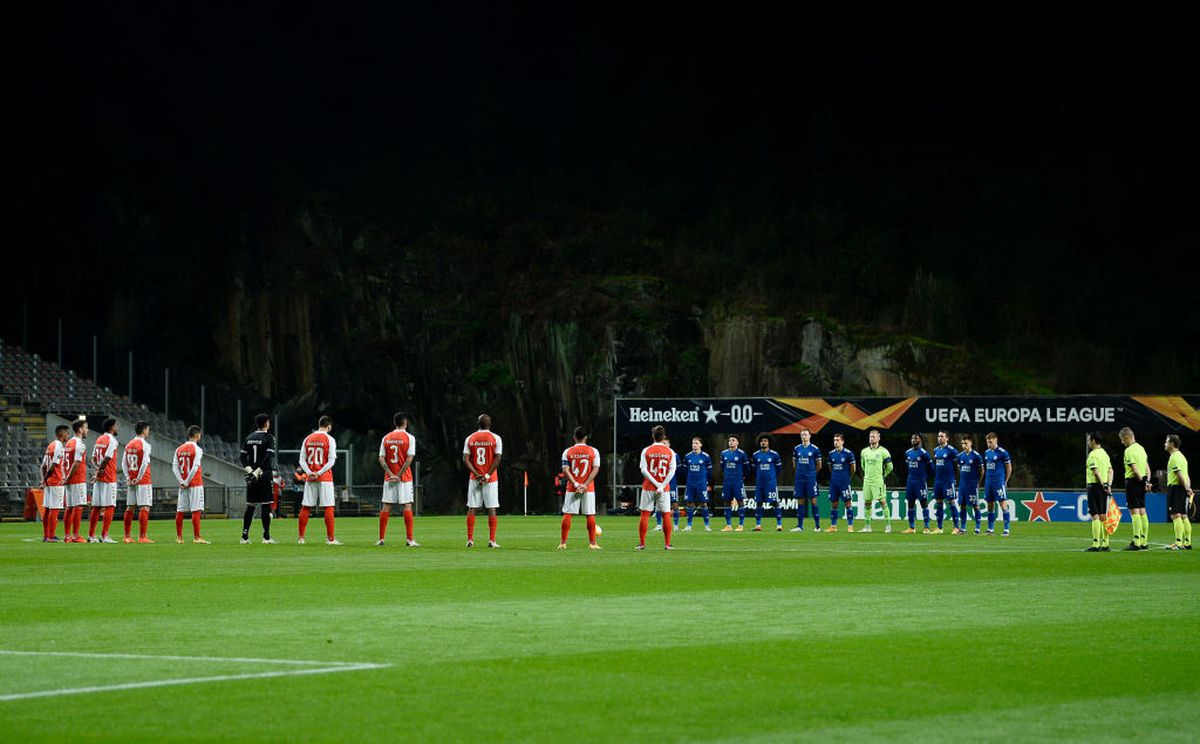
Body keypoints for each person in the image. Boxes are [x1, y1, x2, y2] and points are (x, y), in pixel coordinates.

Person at [377, 412, 418, 547]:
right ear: (405, 423)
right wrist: (399, 475)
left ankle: (381, 539)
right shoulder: (410, 438)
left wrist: (391, 474)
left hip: (389, 478)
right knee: (407, 505)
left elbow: (381, 458)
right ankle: (409, 539)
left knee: (386, 506)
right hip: (404, 478)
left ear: (394, 423)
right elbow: (409, 458)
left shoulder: (386, 438)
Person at [298, 416, 340, 545]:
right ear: (329, 427)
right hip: (325, 478)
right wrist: (319, 473)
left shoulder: (308, 438)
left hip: (310, 478)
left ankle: (301, 538)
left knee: (306, 506)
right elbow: (331, 461)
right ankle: (330, 539)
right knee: (328, 506)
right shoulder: (330, 439)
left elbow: (302, 460)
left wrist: (309, 473)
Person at [463, 413, 502, 548]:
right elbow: (497, 458)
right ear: (489, 424)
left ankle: (470, 539)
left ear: (478, 424)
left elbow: (465, 459)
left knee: (472, 507)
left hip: (474, 478)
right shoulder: (496, 438)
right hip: (491, 479)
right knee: (491, 507)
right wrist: (487, 475)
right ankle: (492, 540)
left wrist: (476, 474)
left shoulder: (470, 438)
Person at [559, 426, 601, 549]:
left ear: (574, 437)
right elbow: (595, 469)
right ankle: (592, 544)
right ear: (586, 437)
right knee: (590, 514)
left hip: (572, 487)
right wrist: (585, 484)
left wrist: (576, 484)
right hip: (588, 488)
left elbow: (565, 470)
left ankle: (563, 543)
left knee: (568, 514)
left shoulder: (567, 452)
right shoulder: (594, 451)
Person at [240, 413, 278, 544]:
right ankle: (266, 537)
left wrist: (250, 471)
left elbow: (242, 457)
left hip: (252, 476)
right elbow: (268, 457)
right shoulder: (269, 438)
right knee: (266, 505)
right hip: (264, 474)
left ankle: (244, 536)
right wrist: (258, 471)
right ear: (266, 423)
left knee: (250, 506)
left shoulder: (249, 437)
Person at [637, 425, 676, 550]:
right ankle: (667, 544)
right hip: (664, 488)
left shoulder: (646, 450)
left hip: (649, 486)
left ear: (653, 436)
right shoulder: (670, 452)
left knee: (645, 514)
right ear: (663, 437)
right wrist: (662, 485)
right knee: (666, 515)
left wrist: (655, 483)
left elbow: (643, 469)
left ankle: (642, 544)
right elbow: (672, 470)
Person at [172, 425, 210, 544]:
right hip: (195, 483)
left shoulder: (179, 449)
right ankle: (197, 537)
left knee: (180, 510)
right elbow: (195, 467)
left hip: (183, 485)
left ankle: (179, 537)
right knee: (196, 510)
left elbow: (174, 467)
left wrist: (182, 481)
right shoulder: (197, 449)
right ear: (197, 435)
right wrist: (187, 481)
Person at [87, 417, 119, 543]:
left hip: (99, 479)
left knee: (96, 507)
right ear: (112, 427)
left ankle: (91, 536)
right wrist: (99, 472)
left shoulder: (99, 439)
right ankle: (105, 536)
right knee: (110, 506)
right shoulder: (112, 440)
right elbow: (107, 458)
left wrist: (97, 471)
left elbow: (92, 458)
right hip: (109, 477)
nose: (117, 428)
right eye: (116, 425)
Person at [121, 421, 154, 543]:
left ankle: (127, 536)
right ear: (144, 430)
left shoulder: (129, 444)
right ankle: (142, 537)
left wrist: (128, 477)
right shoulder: (145, 445)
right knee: (144, 507)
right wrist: (139, 478)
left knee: (130, 507)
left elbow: (124, 463)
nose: (148, 431)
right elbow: (144, 463)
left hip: (131, 480)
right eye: (148, 429)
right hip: (143, 480)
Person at [1119, 427, 1150, 550]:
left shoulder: (1129, 451)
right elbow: (1147, 468)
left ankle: (1136, 542)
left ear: (1127, 437)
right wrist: (1146, 482)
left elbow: (1134, 469)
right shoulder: (1141, 449)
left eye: (1122, 439)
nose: (1122, 442)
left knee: (1134, 511)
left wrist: (1141, 481)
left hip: (1133, 481)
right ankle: (1144, 541)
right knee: (1142, 510)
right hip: (1142, 481)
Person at [858, 429, 893, 533]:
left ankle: (888, 526)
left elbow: (890, 467)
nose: (871, 438)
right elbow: (863, 465)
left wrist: (883, 475)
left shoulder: (884, 451)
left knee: (882, 501)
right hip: (867, 481)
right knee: (867, 503)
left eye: (873, 436)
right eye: (870, 436)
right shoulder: (864, 451)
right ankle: (867, 527)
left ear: (878, 438)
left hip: (878, 481)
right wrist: (868, 474)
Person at [1084, 431, 1113, 552]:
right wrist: (1108, 485)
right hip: (1104, 486)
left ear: (1093, 441)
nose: (1088, 442)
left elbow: (1095, 471)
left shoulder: (1093, 455)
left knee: (1094, 514)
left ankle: (1096, 544)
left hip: (1095, 486)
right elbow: (1110, 471)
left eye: (1089, 440)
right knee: (1103, 515)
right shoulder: (1105, 454)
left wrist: (1103, 484)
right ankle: (1105, 543)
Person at [40, 424, 69, 542]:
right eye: (67, 433)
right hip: (56, 480)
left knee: (48, 509)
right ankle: (51, 536)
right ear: (61, 434)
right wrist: (47, 477)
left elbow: (43, 466)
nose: (68, 435)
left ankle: (46, 535)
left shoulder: (50, 445)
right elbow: (54, 465)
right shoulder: (59, 446)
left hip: (49, 482)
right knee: (54, 509)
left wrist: (44, 479)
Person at [1164, 434, 1193, 550]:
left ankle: (1178, 543)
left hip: (1176, 488)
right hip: (1182, 488)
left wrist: (1186, 488)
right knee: (1183, 515)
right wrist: (1188, 488)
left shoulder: (1174, 457)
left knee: (1175, 514)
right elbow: (1187, 475)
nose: (1165, 444)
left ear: (1172, 444)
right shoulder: (1182, 457)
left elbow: (1180, 474)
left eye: (1166, 442)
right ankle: (1187, 542)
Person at [62, 417, 89, 543]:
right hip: (77, 479)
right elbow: (77, 462)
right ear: (80, 429)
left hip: (69, 480)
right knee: (78, 507)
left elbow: (64, 462)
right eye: (86, 428)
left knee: (69, 507)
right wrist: (68, 477)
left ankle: (67, 536)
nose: (87, 430)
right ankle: (75, 536)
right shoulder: (79, 444)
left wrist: (65, 477)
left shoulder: (69, 443)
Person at [824, 433, 856, 532]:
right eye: (834, 440)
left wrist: (848, 477)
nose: (836, 442)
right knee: (834, 504)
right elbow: (831, 467)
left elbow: (853, 468)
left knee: (848, 503)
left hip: (844, 482)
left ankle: (850, 526)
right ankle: (833, 526)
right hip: (834, 483)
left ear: (842, 441)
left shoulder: (848, 453)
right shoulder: (831, 454)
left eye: (838, 440)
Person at [791, 428, 822, 532]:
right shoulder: (797, 449)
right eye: (802, 435)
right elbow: (794, 464)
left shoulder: (815, 449)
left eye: (805, 434)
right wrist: (800, 472)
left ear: (810, 436)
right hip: (800, 478)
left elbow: (819, 465)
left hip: (810, 478)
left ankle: (817, 526)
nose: (804, 436)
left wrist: (812, 474)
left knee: (813, 501)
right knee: (800, 501)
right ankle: (800, 526)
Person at [902, 434, 933, 534]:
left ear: (920, 440)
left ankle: (926, 527)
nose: (913, 440)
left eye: (915, 438)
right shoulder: (908, 452)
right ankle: (911, 527)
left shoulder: (924, 453)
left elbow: (931, 468)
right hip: (910, 481)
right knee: (910, 503)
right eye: (912, 438)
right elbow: (908, 465)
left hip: (920, 482)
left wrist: (924, 477)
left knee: (923, 503)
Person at [982, 432, 1012, 536]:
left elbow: (1009, 467)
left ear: (996, 440)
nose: (988, 444)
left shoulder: (1002, 452)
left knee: (1003, 504)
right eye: (987, 442)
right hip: (988, 482)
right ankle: (990, 529)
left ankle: (1006, 530)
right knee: (990, 505)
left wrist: (1005, 480)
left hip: (998, 482)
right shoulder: (986, 453)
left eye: (990, 442)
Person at [751, 435, 783, 532]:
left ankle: (779, 525)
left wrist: (771, 478)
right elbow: (754, 469)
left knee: (775, 503)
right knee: (759, 503)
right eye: (761, 441)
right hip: (760, 484)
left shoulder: (774, 455)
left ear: (769, 443)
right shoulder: (755, 455)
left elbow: (779, 469)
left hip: (771, 484)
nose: (763, 442)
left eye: (765, 441)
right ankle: (758, 525)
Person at [719, 436, 751, 531]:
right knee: (726, 501)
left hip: (738, 482)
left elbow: (747, 468)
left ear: (737, 443)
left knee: (740, 501)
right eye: (730, 440)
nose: (731, 442)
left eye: (733, 440)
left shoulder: (742, 454)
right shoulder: (724, 453)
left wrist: (742, 477)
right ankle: (728, 525)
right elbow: (722, 467)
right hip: (727, 482)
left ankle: (741, 525)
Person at [681, 436, 713, 531]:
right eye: (693, 443)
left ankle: (707, 525)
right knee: (689, 504)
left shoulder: (706, 457)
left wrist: (708, 483)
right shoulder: (688, 456)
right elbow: (685, 471)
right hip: (690, 484)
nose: (694, 445)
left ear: (701, 445)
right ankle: (689, 525)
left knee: (704, 504)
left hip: (701, 484)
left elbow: (709, 472)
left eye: (696, 443)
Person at [931, 430, 959, 534]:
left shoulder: (952, 450)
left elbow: (957, 465)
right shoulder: (936, 450)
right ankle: (939, 528)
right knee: (939, 503)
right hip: (938, 481)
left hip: (948, 481)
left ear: (947, 438)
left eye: (942, 436)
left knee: (951, 502)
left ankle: (956, 527)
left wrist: (954, 479)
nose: (940, 438)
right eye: (939, 436)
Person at [955, 435, 985, 535]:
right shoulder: (960, 456)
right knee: (962, 506)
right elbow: (959, 469)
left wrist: (977, 482)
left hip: (972, 485)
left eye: (966, 443)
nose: (964, 446)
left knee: (975, 506)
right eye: (962, 444)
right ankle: (963, 528)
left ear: (971, 443)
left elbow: (981, 471)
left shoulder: (976, 456)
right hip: (962, 485)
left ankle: (977, 527)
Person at [653, 438, 681, 531]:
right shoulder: (658, 455)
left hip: (671, 483)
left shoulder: (675, 455)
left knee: (674, 503)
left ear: (669, 444)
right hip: (660, 483)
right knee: (658, 504)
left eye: (665, 443)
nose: (664, 445)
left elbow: (678, 470)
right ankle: (659, 525)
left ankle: (676, 525)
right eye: (663, 443)